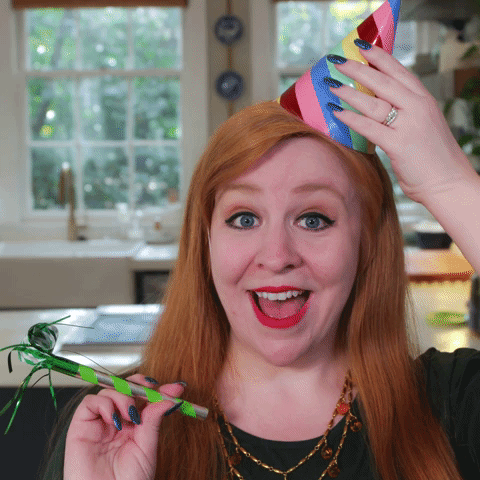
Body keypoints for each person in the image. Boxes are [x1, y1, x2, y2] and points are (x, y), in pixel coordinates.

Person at [45, 6, 480, 480]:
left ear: (368, 243)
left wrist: (449, 184)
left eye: (314, 219)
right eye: (244, 218)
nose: (276, 257)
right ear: (206, 240)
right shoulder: (114, 429)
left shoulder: (452, 403)